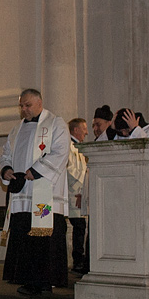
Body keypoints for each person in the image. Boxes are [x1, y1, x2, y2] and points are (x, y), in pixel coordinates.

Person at [0, 89, 71, 296]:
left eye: (28, 105)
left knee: (44, 239)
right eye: (21, 106)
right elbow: (6, 154)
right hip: (23, 195)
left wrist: (36, 171)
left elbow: (60, 151)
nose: (24, 109)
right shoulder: (16, 130)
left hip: (44, 192)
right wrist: (7, 169)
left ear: (40, 102)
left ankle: (45, 282)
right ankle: (28, 280)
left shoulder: (56, 124)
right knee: (25, 237)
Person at [67, 118, 90, 275]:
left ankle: (79, 259)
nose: (86, 132)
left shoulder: (79, 147)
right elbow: (70, 170)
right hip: (74, 192)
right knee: (79, 226)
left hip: (80, 192)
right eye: (84, 129)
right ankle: (77, 260)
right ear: (75, 130)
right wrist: (85, 179)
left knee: (81, 227)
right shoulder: (69, 147)